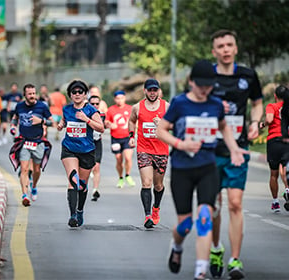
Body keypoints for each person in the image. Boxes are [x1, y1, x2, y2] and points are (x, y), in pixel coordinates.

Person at [156, 59, 247, 280]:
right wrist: (180, 144)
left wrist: (234, 148)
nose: (204, 89)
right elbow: (161, 129)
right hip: (182, 168)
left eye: (208, 85)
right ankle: (177, 247)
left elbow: (224, 126)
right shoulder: (179, 103)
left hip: (207, 167)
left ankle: (201, 271)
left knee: (206, 215)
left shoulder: (215, 104)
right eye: (200, 85)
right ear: (191, 82)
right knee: (185, 225)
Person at [209, 29, 263, 279]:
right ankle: (216, 248)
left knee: (235, 203)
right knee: (214, 206)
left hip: (238, 148)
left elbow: (257, 101)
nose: (226, 49)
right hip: (210, 149)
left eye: (230, 44)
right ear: (214, 51)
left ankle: (235, 260)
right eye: (221, 46)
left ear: (236, 48)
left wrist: (255, 123)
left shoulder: (248, 76)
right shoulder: (206, 76)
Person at [57, 79, 104, 227]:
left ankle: (80, 210)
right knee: (73, 180)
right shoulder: (67, 109)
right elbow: (65, 121)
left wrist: (87, 119)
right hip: (69, 148)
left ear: (85, 94)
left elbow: (101, 128)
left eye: (80, 92)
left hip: (87, 151)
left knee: (82, 185)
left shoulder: (91, 110)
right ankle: (72, 216)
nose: (77, 94)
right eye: (74, 92)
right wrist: (61, 124)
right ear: (70, 95)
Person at [128, 78, 169, 228]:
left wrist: (163, 124)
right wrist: (132, 137)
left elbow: (176, 126)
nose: (152, 93)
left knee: (158, 185)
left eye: (155, 90)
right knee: (146, 183)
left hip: (161, 151)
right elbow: (132, 121)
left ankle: (156, 208)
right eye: (150, 90)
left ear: (158, 91)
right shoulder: (137, 107)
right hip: (144, 149)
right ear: (145, 91)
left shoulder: (167, 107)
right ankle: (147, 216)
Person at [10, 83, 53, 206]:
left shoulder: (42, 106)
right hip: (24, 141)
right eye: (30, 94)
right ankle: (24, 194)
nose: (32, 96)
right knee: (24, 169)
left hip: (38, 142)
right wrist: (13, 126)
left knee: (36, 170)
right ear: (24, 95)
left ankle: (34, 186)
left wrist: (42, 121)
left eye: (34, 93)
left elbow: (52, 122)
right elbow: (15, 117)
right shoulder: (19, 106)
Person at [259, 85, 289, 212]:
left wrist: (263, 124)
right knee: (287, 168)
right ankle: (288, 190)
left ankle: (275, 202)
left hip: (274, 141)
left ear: (275, 96)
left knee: (274, 173)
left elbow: (270, 119)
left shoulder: (272, 106)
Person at [105, 90, 135, 188]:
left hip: (127, 137)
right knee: (118, 159)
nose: (120, 100)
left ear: (125, 98)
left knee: (128, 158)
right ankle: (121, 177)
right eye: (118, 98)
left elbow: (135, 121)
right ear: (115, 99)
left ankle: (128, 175)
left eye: (122, 98)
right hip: (115, 138)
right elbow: (106, 122)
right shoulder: (111, 110)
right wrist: (110, 124)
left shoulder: (130, 109)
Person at [88, 95, 106, 201]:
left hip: (97, 142)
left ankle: (95, 190)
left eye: (97, 104)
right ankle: (83, 187)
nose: (95, 106)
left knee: (97, 167)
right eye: (92, 104)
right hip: (86, 143)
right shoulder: (85, 114)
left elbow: (104, 126)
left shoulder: (102, 115)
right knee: (86, 168)